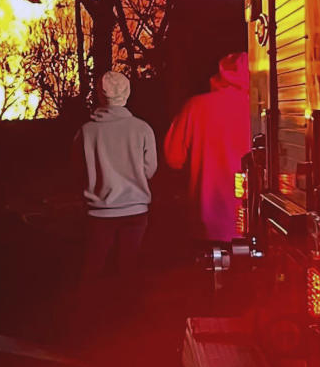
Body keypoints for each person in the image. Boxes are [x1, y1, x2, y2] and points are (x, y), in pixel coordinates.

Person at [75, 71, 157, 283]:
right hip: (135, 209)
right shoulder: (142, 129)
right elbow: (150, 169)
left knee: (93, 269)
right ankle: (127, 311)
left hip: (99, 212)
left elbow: (78, 170)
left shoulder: (86, 131)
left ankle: (90, 311)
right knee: (129, 269)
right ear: (127, 93)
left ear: (101, 95)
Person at [164, 52, 250, 245]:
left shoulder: (194, 106)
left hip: (205, 220)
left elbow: (174, 159)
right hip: (251, 220)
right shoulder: (258, 110)